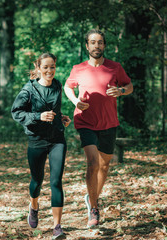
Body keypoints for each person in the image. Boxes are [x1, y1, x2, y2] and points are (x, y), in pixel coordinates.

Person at [64, 29, 133, 228]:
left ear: (104, 45)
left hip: (109, 123)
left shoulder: (115, 67)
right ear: (87, 46)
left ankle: (91, 197)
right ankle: (94, 208)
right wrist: (76, 101)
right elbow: (68, 87)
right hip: (85, 122)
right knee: (93, 163)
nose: (96, 46)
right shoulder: (78, 68)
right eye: (93, 42)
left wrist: (120, 90)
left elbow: (129, 86)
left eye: (100, 42)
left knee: (104, 166)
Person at [11, 52, 71, 239]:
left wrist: (61, 119)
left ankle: (57, 227)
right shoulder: (28, 90)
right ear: (38, 68)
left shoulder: (58, 85)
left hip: (57, 139)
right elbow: (16, 113)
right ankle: (34, 206)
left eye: (52, 66)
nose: (49, 70)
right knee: (37, 181)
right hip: (36, 141)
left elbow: (55, 110)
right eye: (45, 67)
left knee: (56, 181)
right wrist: (38, 116)